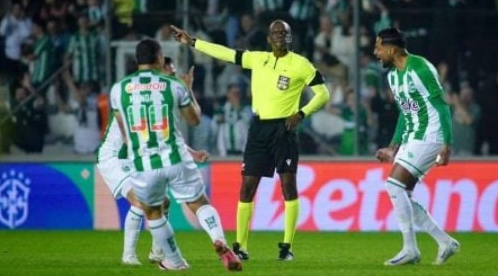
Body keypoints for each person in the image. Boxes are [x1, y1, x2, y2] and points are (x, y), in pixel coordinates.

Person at [171, 20, 331, 261]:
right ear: (268, 39)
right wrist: (193, 41)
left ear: (290, 38)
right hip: (259, 128)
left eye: (284, 32)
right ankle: (241, 246)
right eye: (275, 32)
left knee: (288, 186)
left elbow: (323, 94)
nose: (279, 35)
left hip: (284, 128)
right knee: (247, 187)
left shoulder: (301, 65)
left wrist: (301, 114)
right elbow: (225, 53)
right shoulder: (258, 59)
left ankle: (287, 246)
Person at [109, 39, 241, 271]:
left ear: (136, 60)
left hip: (143, 162)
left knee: (153, 212)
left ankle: (176, 261)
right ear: (160, 57)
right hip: (176, 156)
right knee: (199, 203)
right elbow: (195, 120)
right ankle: (218, 239)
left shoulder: (118, 89)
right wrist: (188, 88)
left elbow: (124, 130)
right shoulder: (173, 85)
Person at [97, 56, 210, 266]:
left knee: (163, 202)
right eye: (172, 73)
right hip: (114, 156)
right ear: (160, 69)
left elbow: (162, 136)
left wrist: (192, 153)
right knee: (141, 202)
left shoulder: (154, 96)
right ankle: (128, 256)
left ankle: (157, 252)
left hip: (130, 154)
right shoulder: (140, 94)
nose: (174, 77)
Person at [372, 27, 460, 266]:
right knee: (403, 193)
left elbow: (442, 106)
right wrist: (393, 146)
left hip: (432, 134)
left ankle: (410, 249)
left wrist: (447, 145)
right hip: (413, 136)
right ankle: (445, 242)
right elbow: (404, 111)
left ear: (392, 49)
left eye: (379, 47)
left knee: (394, 184)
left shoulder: (420, 68)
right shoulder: (393, 76)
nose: (375, 52)